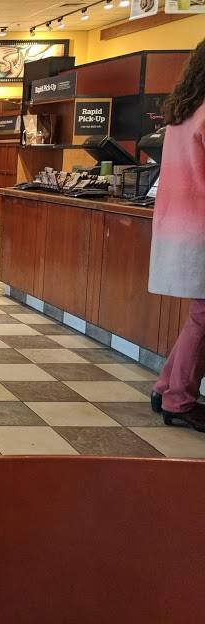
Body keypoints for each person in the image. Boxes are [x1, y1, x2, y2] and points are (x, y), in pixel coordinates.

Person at [149, 38, 205, 431]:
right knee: (204, 316)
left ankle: (166, 387)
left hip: (178, 223)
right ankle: (178, 398)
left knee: (201, 313)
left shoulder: (183, 114)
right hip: (200, 225)